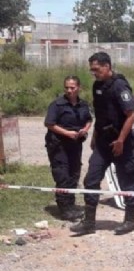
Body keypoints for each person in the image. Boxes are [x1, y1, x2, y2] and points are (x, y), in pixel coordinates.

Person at [71, 51, 134, 235]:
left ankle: (130, 220)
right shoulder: (97, 86)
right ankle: (89, 222)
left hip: (121, 142)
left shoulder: (120, 86)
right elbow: (100, 116)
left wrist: (121, 141)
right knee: (91, 178)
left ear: (107, 66)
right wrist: (94, 137)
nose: (94, 73)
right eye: (92, 70)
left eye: (96, 69)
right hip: (103, 141)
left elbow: (131, 116)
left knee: (127, 181)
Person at [44, 76, 93, 221]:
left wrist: (85, 129)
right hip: (59, 145)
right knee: (62, 175)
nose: (69, 90)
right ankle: (64, 209)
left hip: (75, 144)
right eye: (67, 87)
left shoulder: (83, 104)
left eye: (72, 88)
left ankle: (71, 205)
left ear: (79, 88)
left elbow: (89, 119)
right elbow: (49, 124)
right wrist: (67, 133)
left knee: (74, 174)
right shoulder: (57, 105)